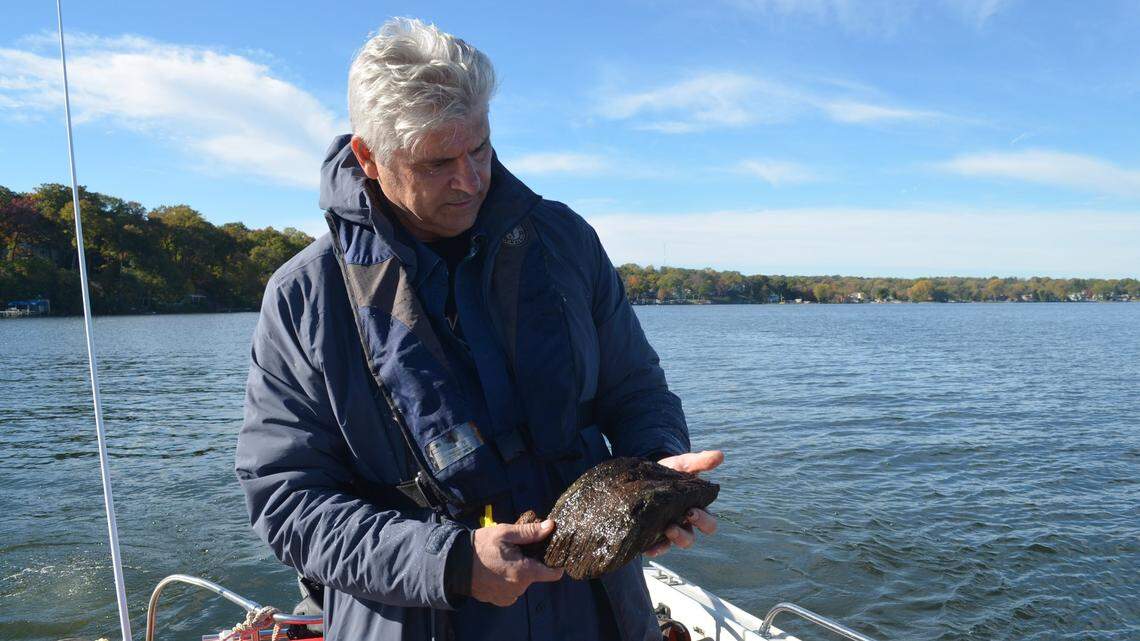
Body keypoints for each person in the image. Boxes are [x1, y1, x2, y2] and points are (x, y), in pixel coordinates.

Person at [235, 17, 722, 641]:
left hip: (599, 613)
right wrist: (449, 563)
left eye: (481, 149)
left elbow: (636, 388)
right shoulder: (304, 296)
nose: (470, 181)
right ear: (369, 157)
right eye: (438, 162)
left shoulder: (566, 242)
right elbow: (286, 499)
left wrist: (657, 472)